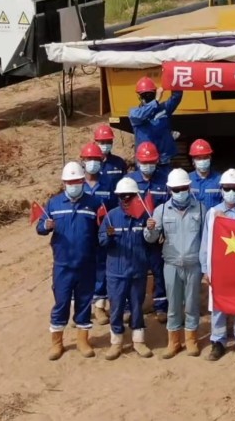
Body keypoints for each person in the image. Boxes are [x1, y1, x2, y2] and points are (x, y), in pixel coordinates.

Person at [36, 161, 100, 361]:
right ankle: (57, 343)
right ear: (64, 183)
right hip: (63, 265)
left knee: (83, 303)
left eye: (77, 181)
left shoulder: (94, 203)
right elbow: (39, 228)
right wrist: (45, 225)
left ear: (83, 181)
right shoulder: (53, 203)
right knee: (61, 303)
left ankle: (83, 341)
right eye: (69, 182)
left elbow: (101, 232)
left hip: (86, 264)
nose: (73, 185)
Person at [143, 168, 204, 359]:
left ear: (189, 187)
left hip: (194, 264)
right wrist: (150, 229)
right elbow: (152, 239)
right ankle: (174, 341)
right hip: (171, 265)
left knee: (192, 304)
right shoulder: (161, 210)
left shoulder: (201, 208)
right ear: (170, 190)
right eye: (176, 189)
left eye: (183, 188)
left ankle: (192, 339)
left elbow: (206, 238)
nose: (180, 192)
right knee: (173, 305)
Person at [201, 169, 235, 361]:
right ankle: (218, 342)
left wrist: (226, 222)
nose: (231, 192)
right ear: (221, 189)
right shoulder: (212, 213)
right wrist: (205, 269)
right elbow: (206, 243)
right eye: (227, 188)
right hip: (219, 268)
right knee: (218, 305)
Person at [99, 177, 153, 360]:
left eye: (130, 196)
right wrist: (109, 235)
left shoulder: (144, 216)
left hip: (137, 270)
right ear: (119, 197)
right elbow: (102, 242)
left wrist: (152, 229)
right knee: (116, 307)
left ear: (136, 196)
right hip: (116, 272)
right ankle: (116, 342)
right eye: (123, 196)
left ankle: (139, 341)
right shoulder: (111, 216)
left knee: (137, 306)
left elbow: (151, 242)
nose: (127, 199)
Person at [131, 141, 169, 324]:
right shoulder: (130, 181)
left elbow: (169, 207)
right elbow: (123, 206)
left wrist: (165, 232)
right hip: (136, 235)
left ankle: (160, 306)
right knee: (136, 271)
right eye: (144, 162)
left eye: (151, 162)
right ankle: (133, 307)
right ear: (137, 162)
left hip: (157, 235)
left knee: (158, 269)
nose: (148, 166)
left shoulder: (164, 180)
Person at [80, 141, 115, 325]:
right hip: (83, 235)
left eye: (96, 159)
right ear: (82, 160)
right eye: (89, 159)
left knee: (102, 268)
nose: (93, 162)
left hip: (101, 234)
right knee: (83, 270)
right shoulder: (77, 184)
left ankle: (100, 306)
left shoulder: (107, 183)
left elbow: (114, 208)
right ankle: (82, 308)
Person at [128, 76, 183, 166]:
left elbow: (176, 97)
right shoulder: (135, 113)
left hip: (164, 159)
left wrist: (174, 80)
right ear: (139, 96)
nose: (147, 96)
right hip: (145, 159)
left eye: (150, 94)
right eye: (144, 94)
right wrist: (156, 101)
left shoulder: (164, 108)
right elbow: (141, 115)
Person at [188, 138, 222, 210]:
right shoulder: (187, 180)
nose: (202, 161)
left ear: (210, 158)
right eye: (199, 158)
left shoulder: (220, 179)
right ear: (193, 161)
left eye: (205, 158)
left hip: (213, 219)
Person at [93, 124, 128, 193]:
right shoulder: (90, 163)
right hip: (95, 202)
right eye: (102, 142)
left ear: (112, 142)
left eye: (108, 142)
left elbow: (125, 186)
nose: (105, 145)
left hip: (114, 203)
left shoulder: (119, 163)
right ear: (96, 142)